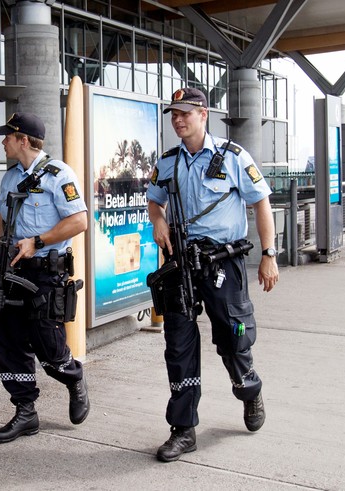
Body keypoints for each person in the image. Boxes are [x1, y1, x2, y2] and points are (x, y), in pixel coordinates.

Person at [146, 88, 280, 463]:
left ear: (203, 114)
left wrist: (269, 254)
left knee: (233, 337)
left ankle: (249, 390)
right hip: (180, 264)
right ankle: (183, 429)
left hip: (223, 261)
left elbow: (261, 203)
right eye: (174, 114)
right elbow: (154, 201)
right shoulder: (168, 161)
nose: (178, 119)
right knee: (179, 345)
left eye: (184, 113)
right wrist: (158, 222)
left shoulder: (233, 156)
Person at [0, 112, 89, 444]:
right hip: (13, 272)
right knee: (5, 339)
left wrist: (38, 241)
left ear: (23, 140)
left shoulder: (58, 174)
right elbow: (2, 222)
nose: (2, 141)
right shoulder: (10, 178)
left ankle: (74, 378)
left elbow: (79, 221)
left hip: (46, 275)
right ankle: (26, 411)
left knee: (48, 345)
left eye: (7, 136)